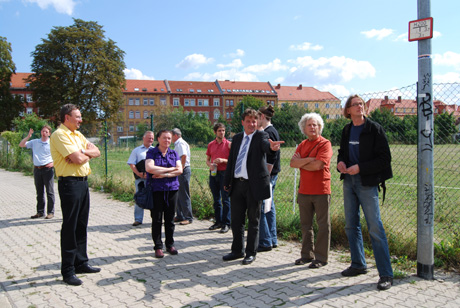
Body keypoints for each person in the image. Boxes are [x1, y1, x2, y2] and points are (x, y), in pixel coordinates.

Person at [337, 94, 394, 290]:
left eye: (361, 104)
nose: (359, 106)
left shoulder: (374, 129)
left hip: (367, 182)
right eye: (355, 104)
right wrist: (341, 163)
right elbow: (342, 152)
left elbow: (385, 159)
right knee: (351, 226)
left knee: (375, 227)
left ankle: (386, 273)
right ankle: (358, 264)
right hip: (349, 182)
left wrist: (360, 168)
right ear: (348, 110)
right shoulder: (347, 130)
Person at [222, 108, 284, 265]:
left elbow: (266, 146)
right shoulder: (236, 139)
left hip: (253, 186)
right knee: (236, 220)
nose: (251, 124)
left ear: (257, 123)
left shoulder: (261, 136)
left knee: (254, 220)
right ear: (243, 122)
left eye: (254, 121)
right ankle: (237, 250)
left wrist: (272, 147)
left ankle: (251, 252)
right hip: (237, 184)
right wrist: (226, 181)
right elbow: (232, 161)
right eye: (248, 121)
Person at [50, 104, 101, 286]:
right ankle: (68, 270)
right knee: (70, 227)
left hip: (83, 183)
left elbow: (96, 151)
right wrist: (82, 154)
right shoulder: (59, 135)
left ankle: (81, 262)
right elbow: (79, 159)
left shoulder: (78, 135)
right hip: (69, 184)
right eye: (78, 117)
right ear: (67, 118)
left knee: (81, 224)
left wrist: (82, 152)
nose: (81, 120)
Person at [290, 113, 333, 268]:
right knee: (305, 225)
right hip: (304, 190)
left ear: (320, 127)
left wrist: (302, 162)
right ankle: (307, 255)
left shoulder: (325, 144)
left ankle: (321, 258)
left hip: (321, 189)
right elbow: (292, 163)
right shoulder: (302, 144)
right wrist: (309, 160)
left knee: (323, 225)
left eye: (315, 125)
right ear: (304, 128)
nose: (313, 127)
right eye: (309, 125)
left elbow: (318, 165)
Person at [145, 130, 183, 258]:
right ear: (158, 139)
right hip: (156, 190)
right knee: (156, 219)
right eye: (164, 138)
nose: (167, 141)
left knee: (170, 219)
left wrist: (163, 174)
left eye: (169, 138)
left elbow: (180, 170)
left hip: (172, 189)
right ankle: (158, 246)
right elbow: (149, 168)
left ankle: (170, 245)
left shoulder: (174, 153)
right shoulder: (151, 153)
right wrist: (171, 169)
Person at [257, 105, 281, 252]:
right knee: (269, 207)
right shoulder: (271, 131)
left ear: (262, 117)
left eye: (257, 117)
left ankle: (265, 241)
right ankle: (272, 238)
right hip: (271, 174)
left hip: (268, 175)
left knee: (262, 207)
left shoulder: (268, 132)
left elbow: (272, 156)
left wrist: (265, 176)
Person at [19, 126, 55, 219]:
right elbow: (21, 144)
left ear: (49, 133)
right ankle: (40, 212)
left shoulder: (52, 143)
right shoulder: (35, 142)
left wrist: (54, 163)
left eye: (46, 132)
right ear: (41, 132)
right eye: (43, 131)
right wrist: (28, 136)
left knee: (49, 192)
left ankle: (50, 212)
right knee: (39, 192)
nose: (44, 133)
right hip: (37, 169)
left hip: (48, 169)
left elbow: (59, 154)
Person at [206, 123, 231, 233]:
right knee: (216, 199)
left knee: (225, 199)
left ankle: (226, 223)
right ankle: (218, 221)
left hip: (225, 174)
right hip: (214, 173)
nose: (222, 132)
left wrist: (223, 160)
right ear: (215, 132)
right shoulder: (211, 144)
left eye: (223, 130)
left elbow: (233, 161)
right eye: (220, 130)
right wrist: (210, 165)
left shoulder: (229, 144)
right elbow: (207, 159)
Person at [127, 131, 154, 226]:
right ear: (143, 138)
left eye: (152, 138)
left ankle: (155, 219)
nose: (151, 139)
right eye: (149, 137)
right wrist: (139, 173)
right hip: (141, 179)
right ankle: (138, 219)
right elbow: (131, 163)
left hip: (153, 179)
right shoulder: (137, 150)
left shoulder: (155, 150)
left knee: (154, 198)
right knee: (140, 198)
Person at [171, 128, 193, 225]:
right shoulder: (178, 144)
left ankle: (188, 217)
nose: (170, 138)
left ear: (175, 135)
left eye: (171, 136)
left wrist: (181, 168)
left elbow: (183, 156)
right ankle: (180, 215)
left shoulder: (180, 143)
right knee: (178, 193)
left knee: (184, 194)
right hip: (180, 171)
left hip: (183, 171)